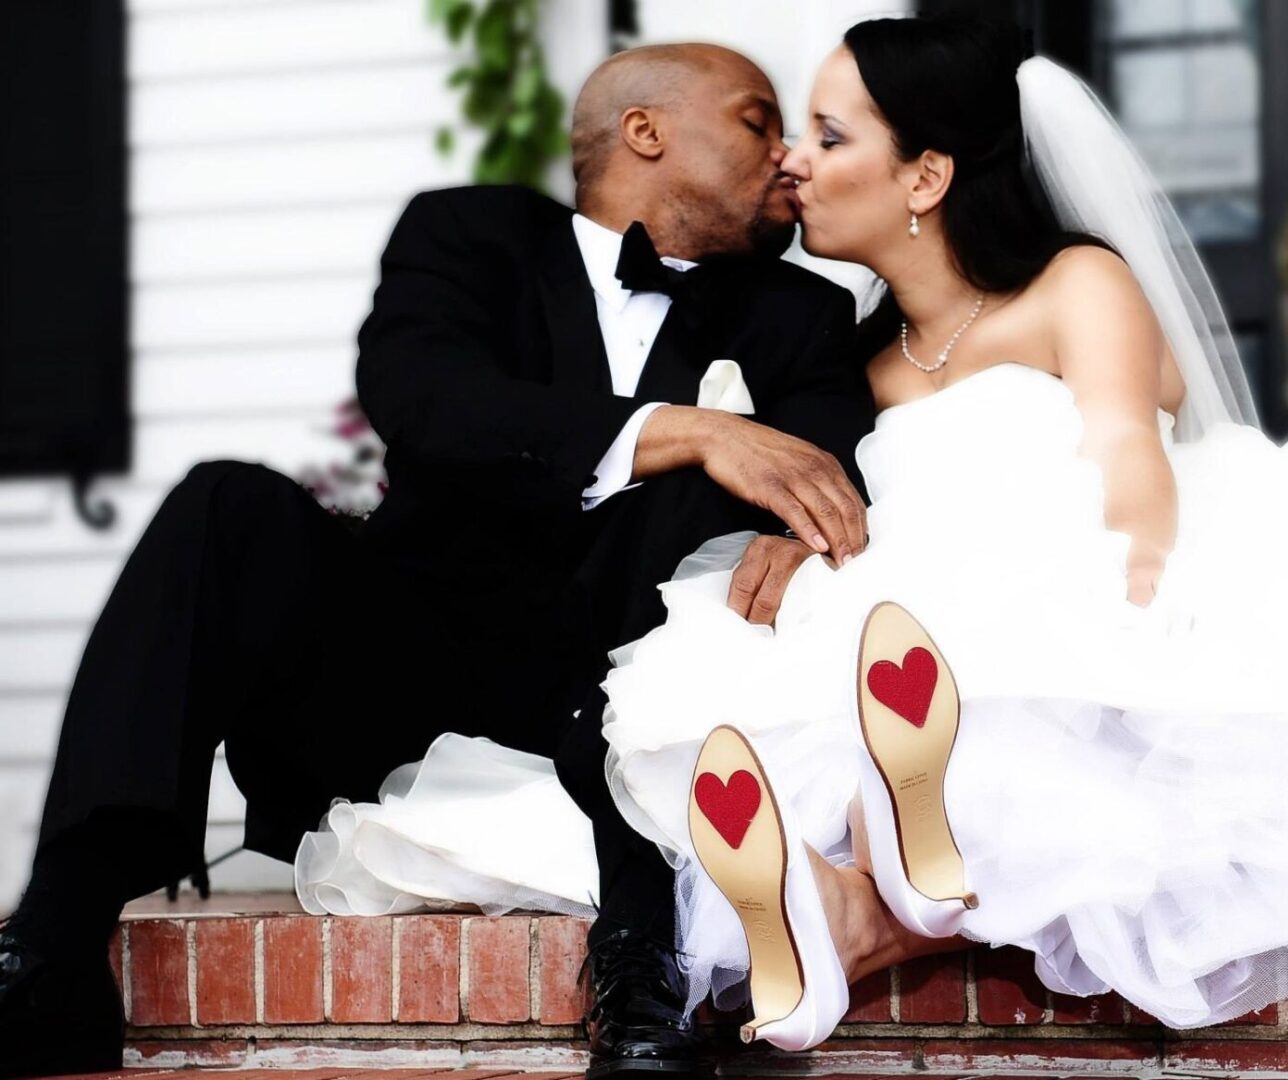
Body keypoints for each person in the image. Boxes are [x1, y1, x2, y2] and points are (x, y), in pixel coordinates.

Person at [297, 11, 1288, 1058]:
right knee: (843, 702)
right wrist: (804, 536)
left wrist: (1128, 609)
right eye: (787, 131)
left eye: (825, 131)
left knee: (1042, 724)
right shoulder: (853, 359)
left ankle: (855, 902)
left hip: (1108, 581)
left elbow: (1132, 463)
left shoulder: (1075, 288)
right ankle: (853, 896)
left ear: (928, 174)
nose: (797, 164)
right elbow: (837, 487)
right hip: (927, 623)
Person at [0, 43, 878, 1080]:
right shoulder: (468, 238)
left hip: (623, 689)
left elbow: (821, 466)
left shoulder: (799, 316)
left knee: (698, 540)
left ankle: (644, 963)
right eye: (754, 119)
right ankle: (52, 944)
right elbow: (428, 402)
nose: (785, 153)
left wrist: (777, 513)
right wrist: (686, 427)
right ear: (646, 131)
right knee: (224, 503)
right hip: (411, 666)